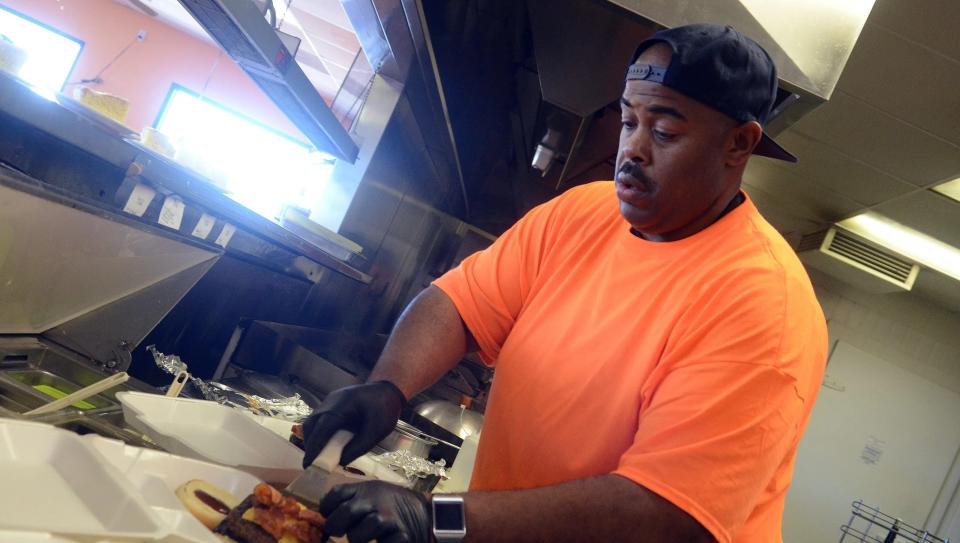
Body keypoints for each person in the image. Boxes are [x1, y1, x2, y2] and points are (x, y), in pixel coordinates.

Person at [301, 23, 828, 543]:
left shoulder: (762, 302)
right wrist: (389, 386)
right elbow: (459, 303)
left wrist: (435, 520)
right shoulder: (582, 213)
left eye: (664, 132)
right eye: (628, 122)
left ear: (739, 144)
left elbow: (664, 516)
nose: (634, 151)